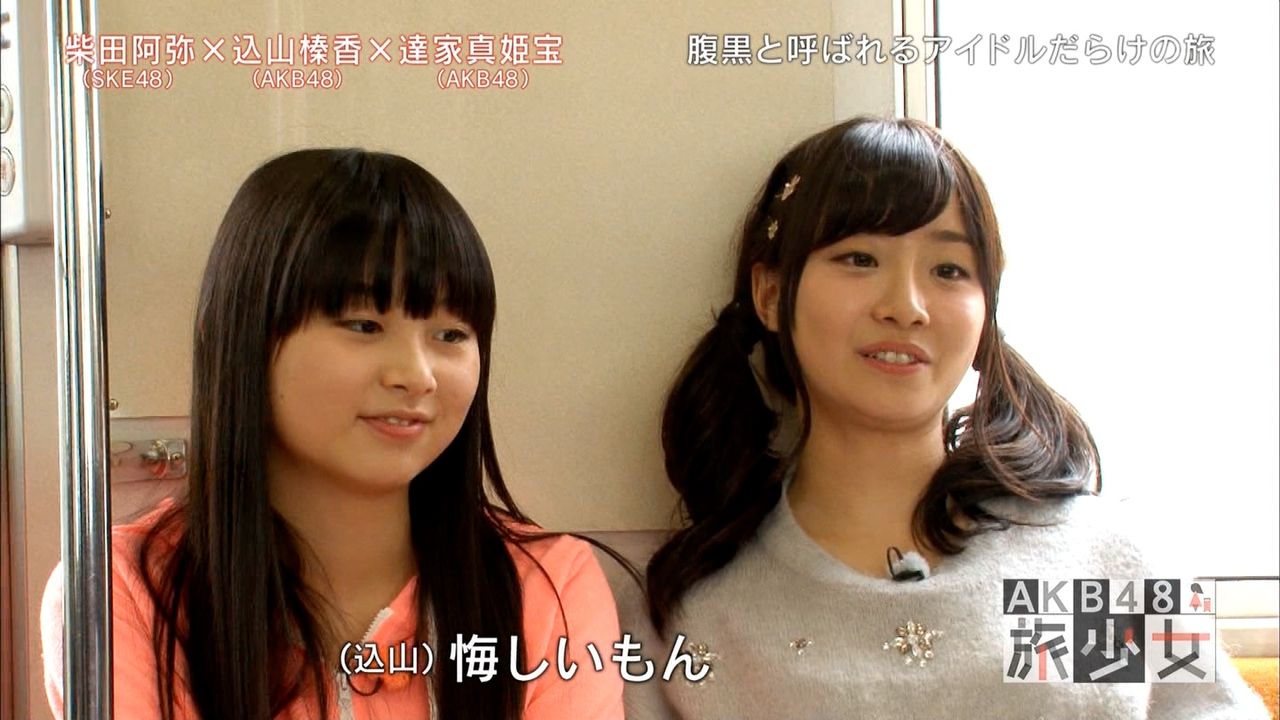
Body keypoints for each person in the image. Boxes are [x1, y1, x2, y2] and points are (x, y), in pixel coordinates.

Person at [628, 117, 1269, 719]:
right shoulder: (702, 604)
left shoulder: (1091, 557)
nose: (906, 306)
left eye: (948, 270)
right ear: (770, 294)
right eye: (860, 259)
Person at [41, 149, 625, 720]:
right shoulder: (120, 592)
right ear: (235, 336)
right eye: (364, 325)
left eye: (451, 335)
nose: (417, 375)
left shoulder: (548, 586)